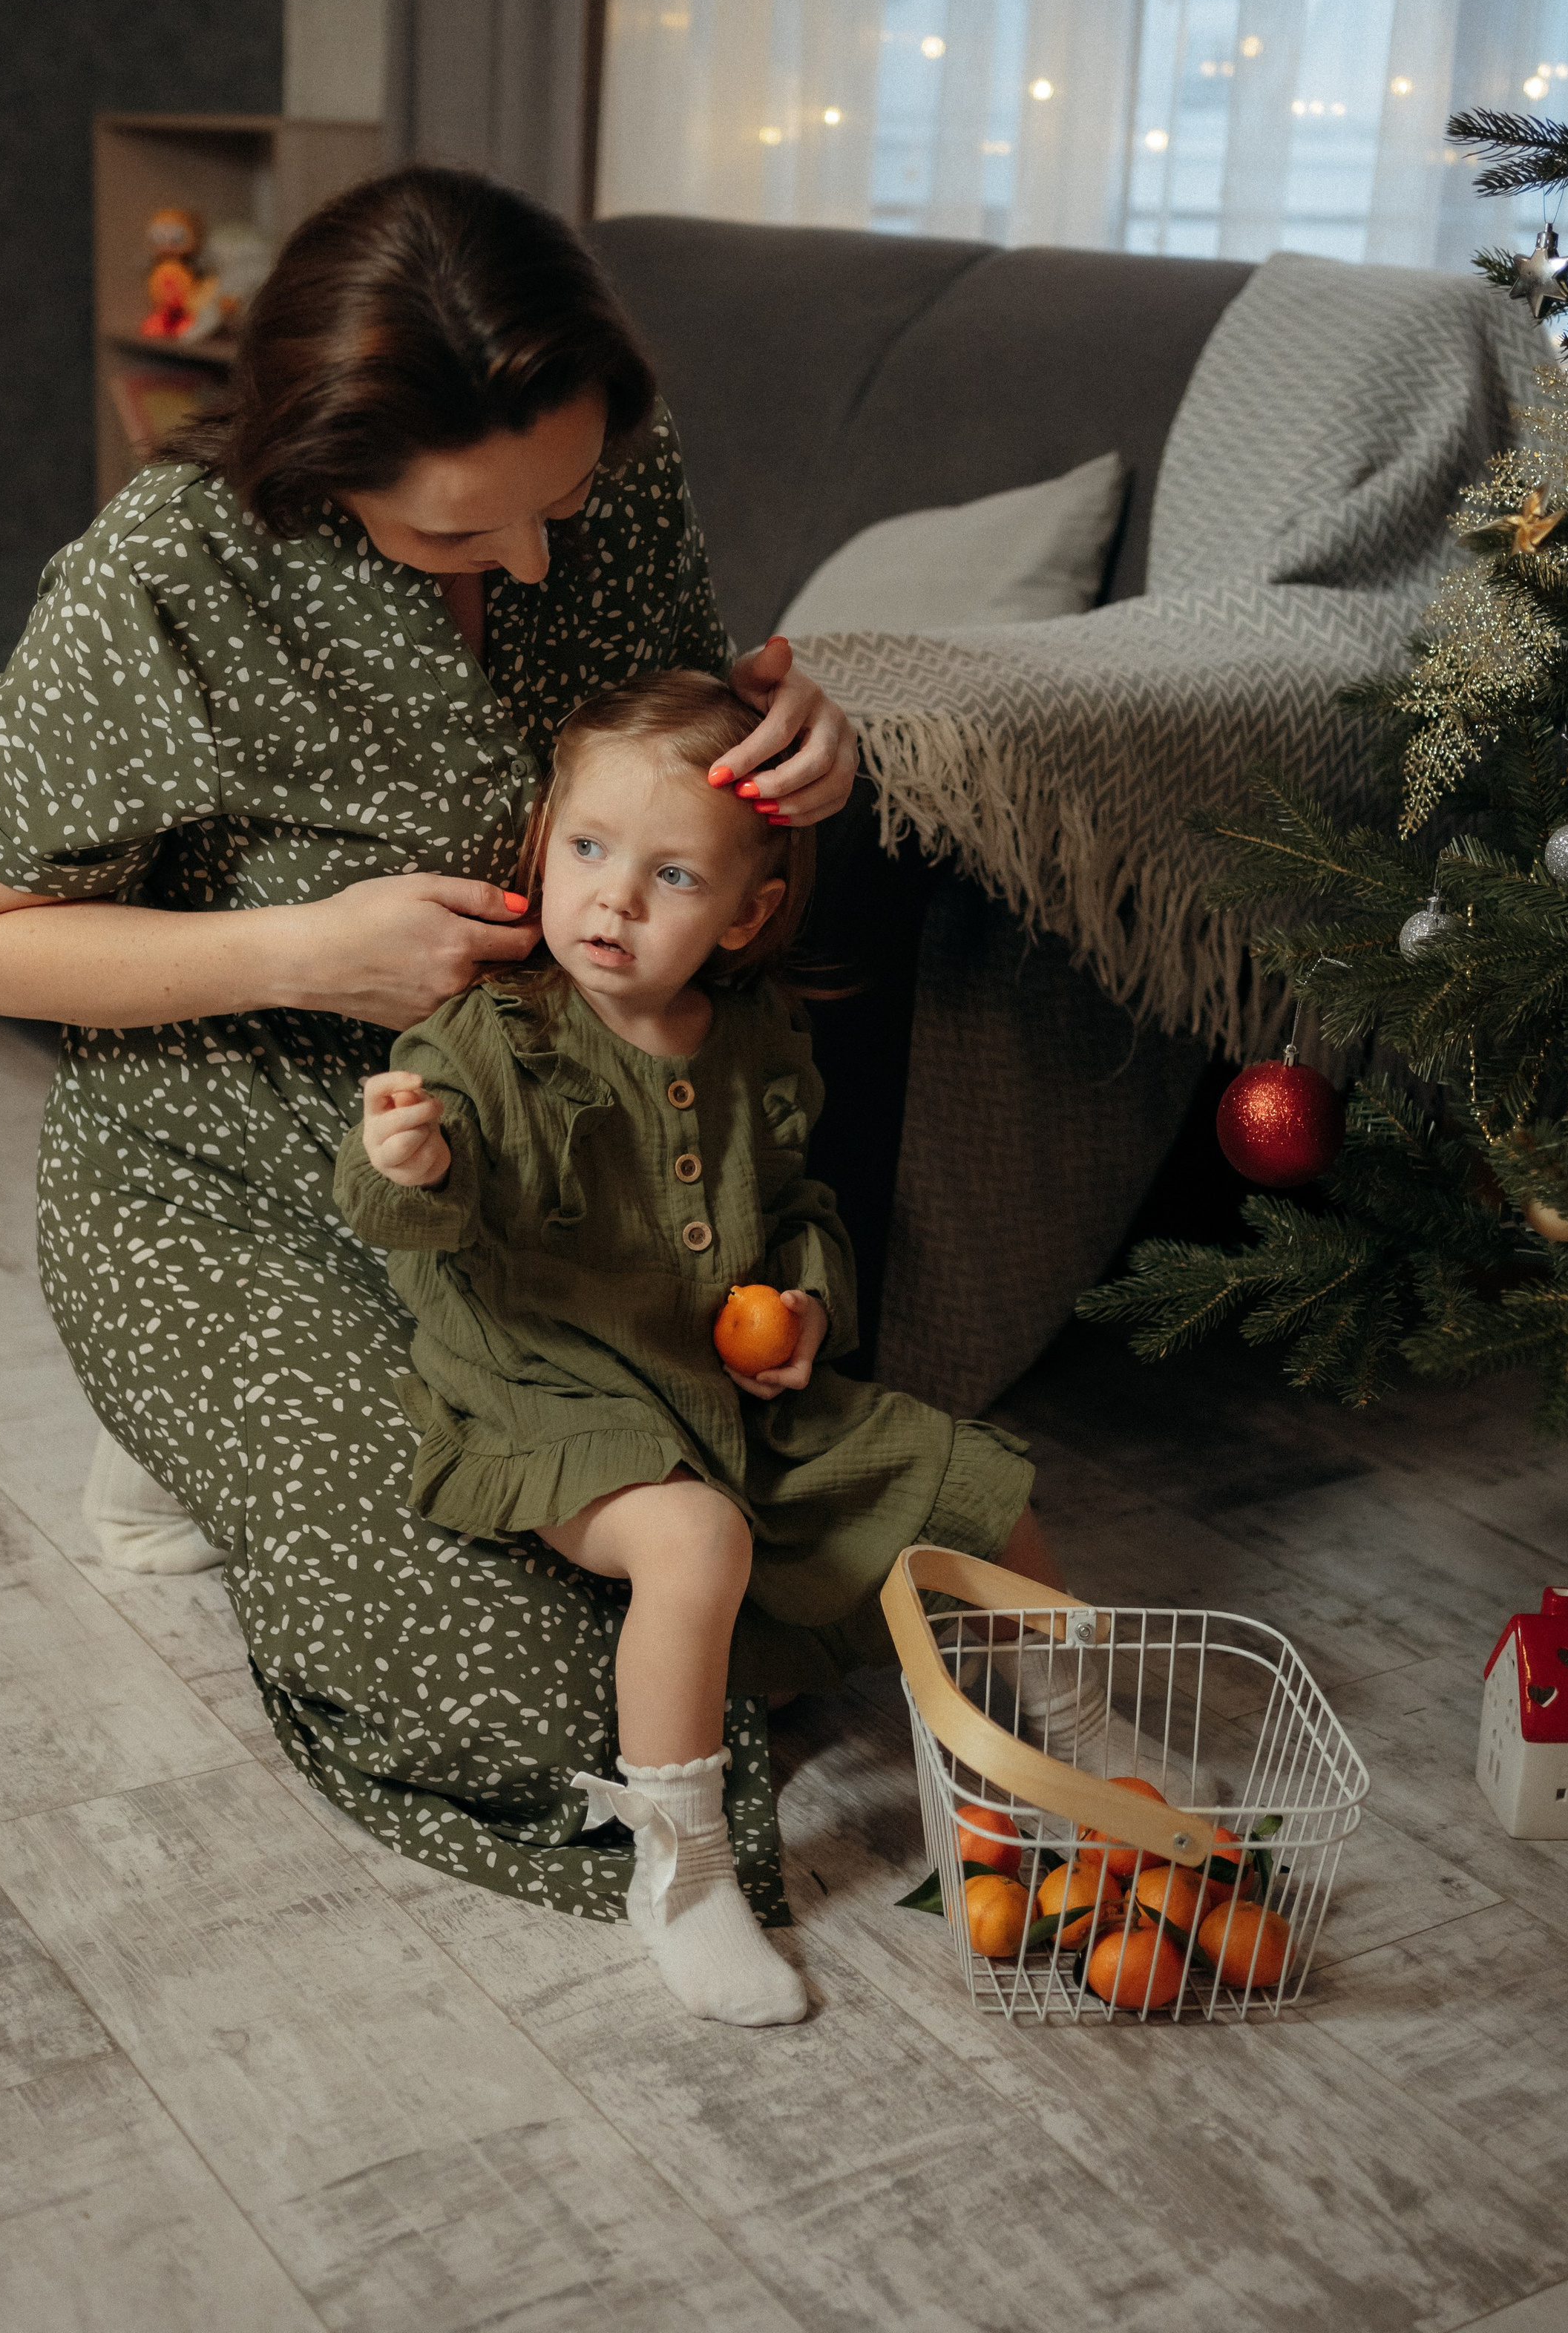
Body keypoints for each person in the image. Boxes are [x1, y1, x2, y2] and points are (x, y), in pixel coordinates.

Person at [0, 165, 859, 1924]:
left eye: (560, 507)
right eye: (453, 535)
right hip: (227, 1152)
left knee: (780, 1571)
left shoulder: (614, 470)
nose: (526, 557)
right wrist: (304, 948)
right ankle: (176, 1426)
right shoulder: (173, 567)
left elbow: (656, 747)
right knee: (527, 1695)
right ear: (318, 466)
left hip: (535, 1155)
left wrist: (787, 736)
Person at [337, 667, 1052, 2023]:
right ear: (545, 847)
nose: (611, 898)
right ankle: (682, 1870)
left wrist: (809, 1310)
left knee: (975, 1483)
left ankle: (1078, 1739)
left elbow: (797, 1211)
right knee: (697, 1540)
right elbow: (399, 1211)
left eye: (670, 875)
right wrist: (405, 1157)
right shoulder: (489, 1037)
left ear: (748, 913)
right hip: (547, 1390)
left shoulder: (756, 1047)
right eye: (591, 850)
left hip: (725, 1390)